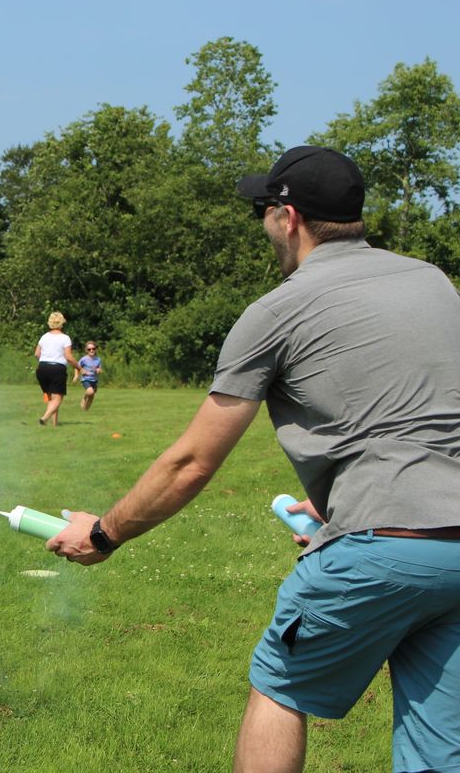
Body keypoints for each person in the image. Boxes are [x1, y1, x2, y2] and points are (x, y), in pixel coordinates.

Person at [46, 146, 460, 773]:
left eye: (263, 209)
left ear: (287, 216)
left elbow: (192, 462)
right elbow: (421, 412)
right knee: (440, 745)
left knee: (282, 687)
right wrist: (334, 499)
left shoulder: (278, 310)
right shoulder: (432, 281)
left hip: (382, 547)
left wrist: (102, 533)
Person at [34, 312, 78, 425]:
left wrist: (43, 360)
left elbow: (37, 353)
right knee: (58, 398)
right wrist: (79, 367)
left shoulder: (44, 336)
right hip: (57, 369)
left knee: (51, 398)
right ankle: (44, 418)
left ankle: (55, 424)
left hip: (42, 368)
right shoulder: (65, 338)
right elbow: (68, 357)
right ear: (62, 323)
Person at [74, 341, 103, 411]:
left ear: (96, 349)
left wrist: (99, 370)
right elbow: (77, 367)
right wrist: (76, 376)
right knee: (90, 392)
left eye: (93, 348)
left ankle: (85, 409)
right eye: (89, 349)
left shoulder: (98, 359)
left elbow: (100, 369)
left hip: (94, 380)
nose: (91, 350)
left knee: (92, 396)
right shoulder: (84, 359)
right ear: (86, 350)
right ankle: (84, 397)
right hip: (86, 379)